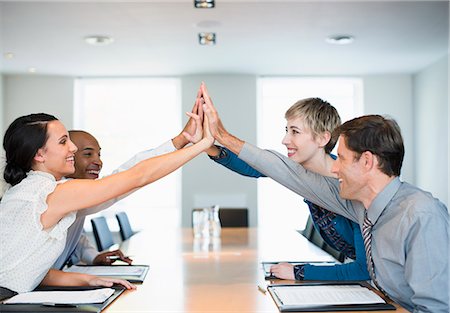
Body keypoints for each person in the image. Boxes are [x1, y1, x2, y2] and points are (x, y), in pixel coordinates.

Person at [199, 83, 449, 313]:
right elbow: (272, 167)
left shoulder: (418, 214)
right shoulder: (359, 203)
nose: (335, 168)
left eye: (340, 159)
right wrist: (213, 142)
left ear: (367, 162)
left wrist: (224, 136)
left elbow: (434, 307)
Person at [0, 108, 212, 293]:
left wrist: (89, 279)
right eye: (64, 142)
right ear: (39, 155)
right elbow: (137, 176)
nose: (72, 148)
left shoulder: (28, 191)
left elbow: (24, 270)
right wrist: (202, 145)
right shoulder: (48, 193)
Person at [198, 98, 369, 281]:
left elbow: (362, 270)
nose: (285, 140)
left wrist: (299, 272)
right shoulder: (302, 171)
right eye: (287, 131)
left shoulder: (351, 187)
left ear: (323, 138)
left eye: (295, 132)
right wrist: (208, 147)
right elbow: (254, 167)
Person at [53, 108, 202, 270]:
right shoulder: (63, 191)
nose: (98, 162)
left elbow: (72, 234)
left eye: (99, 155)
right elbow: (134, 175)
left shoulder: (74, 193)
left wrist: (94, 256)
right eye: (88, 154)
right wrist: (184, 141)